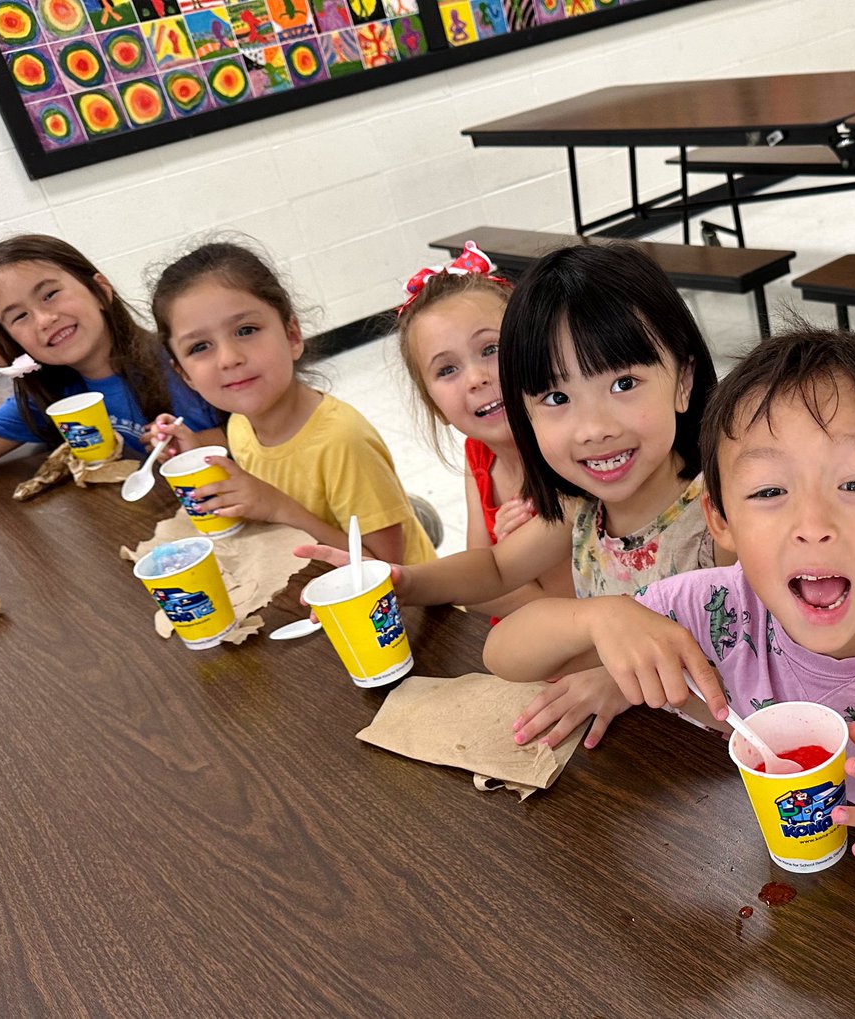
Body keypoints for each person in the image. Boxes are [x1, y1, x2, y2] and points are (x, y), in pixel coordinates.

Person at [484, 324, 855, 887]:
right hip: (755, 880)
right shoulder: (712, 608)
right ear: (720, 518)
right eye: (770, 491)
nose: (813, 525)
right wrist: (600, 617)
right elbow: (503, 654)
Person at [301, 242, 734, 748]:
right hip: (650, 756)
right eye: (557, 397)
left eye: (623, 383)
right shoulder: (582, 508)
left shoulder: (725, 518)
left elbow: (761, 681)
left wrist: (622, 681)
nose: (593, 428)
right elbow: (496, 583)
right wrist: (403, 583)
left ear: (683, 381)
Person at [150, 241, 437, 566]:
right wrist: (195, 451)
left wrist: (278, 507)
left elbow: (386, 567)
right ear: (184, 374)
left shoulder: (343, 441)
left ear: (292, 336)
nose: (229, 358)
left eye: (246, 330)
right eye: (200, 347)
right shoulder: (242, 423)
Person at [0, 234, 222, 467]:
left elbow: (249, 424)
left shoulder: (183, 363)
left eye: (50, 295)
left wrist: (195, 443)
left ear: (100, 290)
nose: (44, 320)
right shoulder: (54, 394)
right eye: (19, 316)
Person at [396, 241, 574, 618]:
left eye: (490, 349)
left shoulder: (572, 457)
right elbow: (477, 596)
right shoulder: (478, 454)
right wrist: (504, 563)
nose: (476, 378)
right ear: (436, 407)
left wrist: (516, 561)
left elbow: (580, 603)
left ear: (533, 350)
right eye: (447, 369)